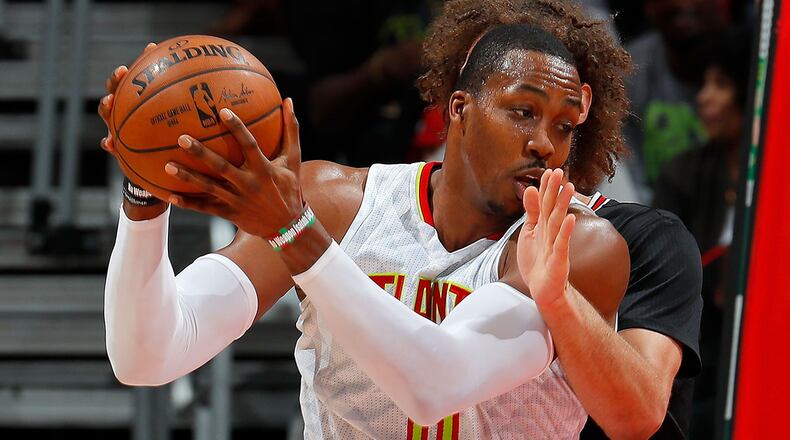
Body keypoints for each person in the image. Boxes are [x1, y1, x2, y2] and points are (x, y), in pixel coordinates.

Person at [99, 1, 647, 438]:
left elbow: (434, 385)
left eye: (565, 126)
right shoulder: (335, 204)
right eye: (523, 111)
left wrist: (296, 234)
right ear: (459, 110)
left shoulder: (577, 247)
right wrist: (145, 193)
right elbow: (148, 356)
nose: (544, 144)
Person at [653, 27, 751, 439]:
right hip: (699, 334)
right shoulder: (682, 173)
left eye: (722, 85)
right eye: (704, 84)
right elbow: (665, 272)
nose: (704, 97)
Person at [624, 0, 724, 200]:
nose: (682, 4)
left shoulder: (745, 66)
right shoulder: (630, 67)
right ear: (649, 7)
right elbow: (624, 165)